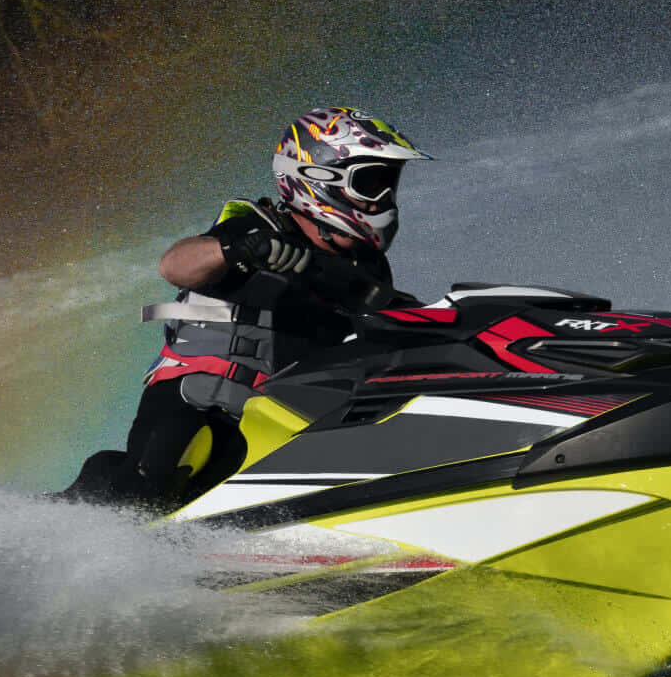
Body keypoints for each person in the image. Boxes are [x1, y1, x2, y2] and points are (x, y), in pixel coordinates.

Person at [63, 106, 433, 510]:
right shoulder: (257, 227)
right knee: (156, 486)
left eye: (388, 183)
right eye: (370, 182)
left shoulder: (369, 272)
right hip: (199, 404)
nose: (383, 199)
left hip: (286, 419)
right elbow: (174, 265)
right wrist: (240, 250)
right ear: (316, 178)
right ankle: (86, 525)